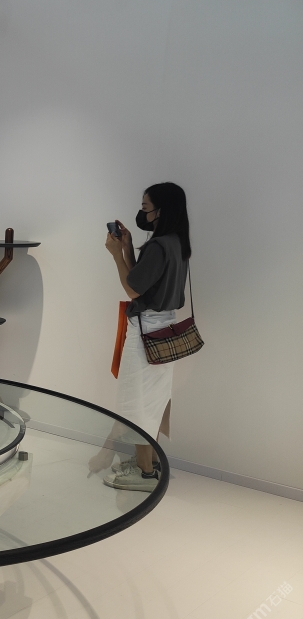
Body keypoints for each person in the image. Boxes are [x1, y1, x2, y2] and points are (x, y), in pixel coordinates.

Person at [103, 182, 191, 491]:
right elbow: (142, 280)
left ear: (161, 210)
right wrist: (127, 247)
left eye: (145, 207)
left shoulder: (157, 246)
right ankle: (150, 463)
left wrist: (116, 255)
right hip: (165, 330)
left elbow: (132, 289)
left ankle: (143, 473)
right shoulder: (177, 242)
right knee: (153, 400)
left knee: (136, 402)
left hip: (145, 331)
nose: (142, 212)